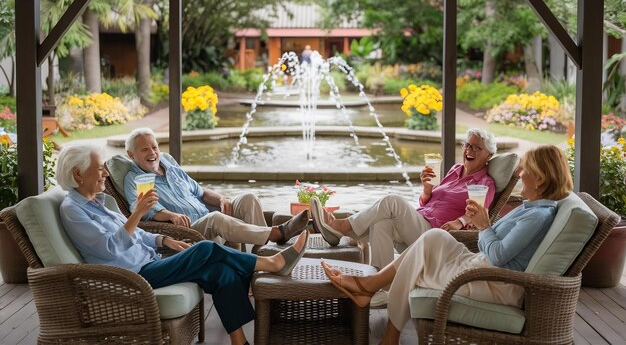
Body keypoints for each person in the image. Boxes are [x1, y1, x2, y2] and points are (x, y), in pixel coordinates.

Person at [56, 144, 309, 345]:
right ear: (78, 174)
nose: (105, 173)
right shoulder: (73, 210)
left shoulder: (101, 202)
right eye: (99, 169)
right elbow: (109, 248)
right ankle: (271, 263)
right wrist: (137, 214)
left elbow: (136, 235)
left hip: (149, 262)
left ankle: (239, 342)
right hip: (131, 276)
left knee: (220, 273)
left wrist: (163, 239)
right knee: (205, 248)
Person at [321, 145, 572, 344]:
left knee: (420, 250)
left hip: (494, 282)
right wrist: (429, 192)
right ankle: (372, 291)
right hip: (480, 264)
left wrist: (483, 225)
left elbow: (498, 256)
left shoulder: (536, 216)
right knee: (431, 239)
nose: (519, 174)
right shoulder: (533, 208)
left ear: (539, 180)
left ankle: (380, 313)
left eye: (526, 170)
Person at [310, 128, 497, 269]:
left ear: (488, 155)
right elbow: (427, 202)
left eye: (476, 147)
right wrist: (427, 189)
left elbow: (481, 211)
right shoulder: (455, 170)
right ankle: (381, 284)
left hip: (434, 232)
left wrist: (459, 221)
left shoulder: (484, 183)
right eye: (467, 144)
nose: (469, 150)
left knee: (393, 201)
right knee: (381, 224)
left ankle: (344, 227)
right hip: (419, 220)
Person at [122, 127, 308, 248]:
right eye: (144, 149)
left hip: (207, 215)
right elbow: (144, 211)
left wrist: (221, 199)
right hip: (189, 230)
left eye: (154, 147)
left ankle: (263, 254)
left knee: (248, 198)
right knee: (216, 218)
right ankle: (277, 234)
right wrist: (170, 215)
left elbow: (200, 192)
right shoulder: (135, 179)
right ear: (131, 154)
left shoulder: (170, 167)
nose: (152, 153)